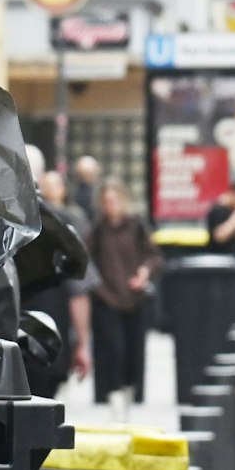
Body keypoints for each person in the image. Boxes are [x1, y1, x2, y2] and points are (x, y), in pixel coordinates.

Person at [85, 181, 160, 408]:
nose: (111, 206)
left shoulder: (136, 226)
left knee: (134, 347)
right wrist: (98, 288)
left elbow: (153, 256)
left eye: (115, 200)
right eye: (106, 201)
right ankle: (112, 389)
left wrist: (144, 273)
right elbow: (87, 261)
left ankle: (133, 390)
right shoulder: (97, 231)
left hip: (134, 297)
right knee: (113, 347)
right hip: (107, 297)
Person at [22, 168, 93, 396]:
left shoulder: (1, 225)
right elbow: (78, 289)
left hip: (12, 342)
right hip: (48, 342)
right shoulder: (61, 227)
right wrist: (83, 344)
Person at [70, 155, 103, 228]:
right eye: (82, 174)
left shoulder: (102, 194)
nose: (85, 177)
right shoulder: (72, 194)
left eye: (89, 174)